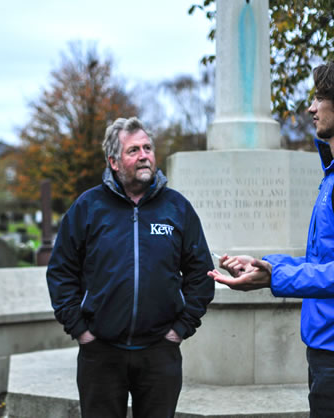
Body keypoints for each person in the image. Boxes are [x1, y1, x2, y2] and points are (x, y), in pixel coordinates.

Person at [208, 60, 334, 417]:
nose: (311, 108)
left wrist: (277, 278)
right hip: (332, 343)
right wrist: (269, 266)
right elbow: (326, 262)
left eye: (319, 98)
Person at [46, 117, 214, 418]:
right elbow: (61, 271)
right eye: (133, 150)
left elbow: (201, 273)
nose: (144, 155)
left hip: (160, 352)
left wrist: (180, 328)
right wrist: (80, 329)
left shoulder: (177, 208)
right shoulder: (88, 208)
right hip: (100, 353)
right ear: (113, 161)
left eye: (148, 148)